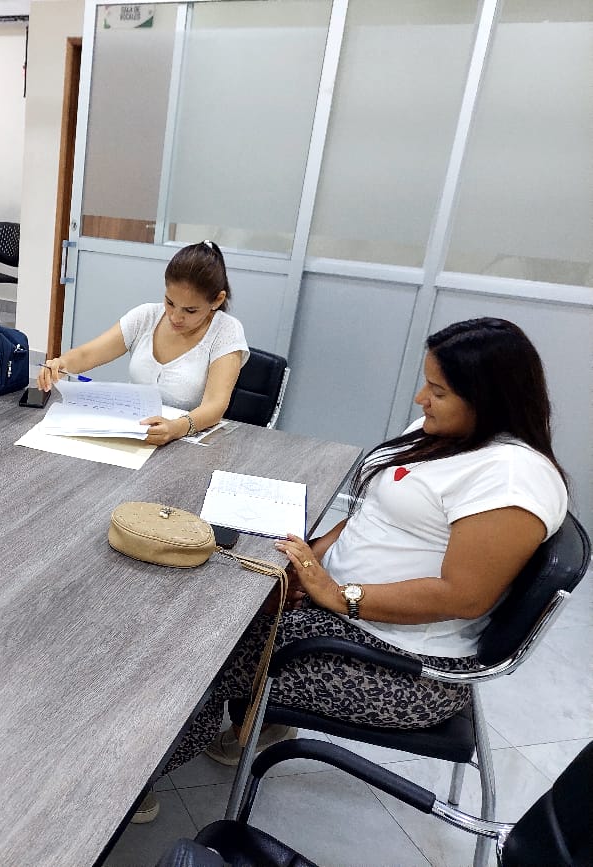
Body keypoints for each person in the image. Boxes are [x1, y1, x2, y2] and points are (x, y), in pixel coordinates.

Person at [132, 317, 569, 823]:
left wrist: (341, 596)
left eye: (438, 392)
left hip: (400, 666)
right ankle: (240, 724)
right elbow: (371, 514)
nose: (420, 400)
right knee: (208, 597)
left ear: (490, 400)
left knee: (193, 652)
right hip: (349, 620)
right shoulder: (445, 435)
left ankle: (130, 782)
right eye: (426, 383)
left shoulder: (512, 479)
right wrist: (309, 562)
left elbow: (463, 596)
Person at [37, 241, 248, 445]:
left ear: (217, 300)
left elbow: (215, 405)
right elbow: (88, 354)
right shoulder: (146, 316)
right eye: (170, 302)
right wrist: (62, 364)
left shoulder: (226, 331)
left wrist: (176, 428)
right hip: (135, 432)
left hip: (185, 442)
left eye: (190, 310)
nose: (175, 317)